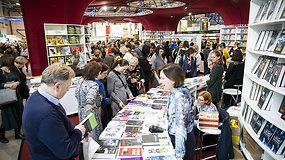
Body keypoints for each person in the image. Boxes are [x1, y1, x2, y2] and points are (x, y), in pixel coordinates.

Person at [23, 63, 86, 159]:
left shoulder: (36, 97)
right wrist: (78, 133)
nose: (68, 90)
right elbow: (66, 151)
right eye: (67, 87)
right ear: (57, 86)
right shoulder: (46, 114)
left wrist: (74, 130)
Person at [159, 63, 195, 160]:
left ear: (173, 80)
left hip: (180, 141)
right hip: (177, 137)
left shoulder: (180, 96)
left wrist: (179, 155)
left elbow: (180, 127)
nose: (160, 81)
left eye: (162, 78)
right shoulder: (175, 92)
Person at [75, 61, 103, 142]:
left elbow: (76, 95)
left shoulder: (80, 81)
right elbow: (90, 100)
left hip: (81, 111)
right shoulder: (93, 85)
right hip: (91, 114)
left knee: (85, 135)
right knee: (94, 134)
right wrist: (96, 103)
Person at [0, 56, 24, 143]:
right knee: (7, 117)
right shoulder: (0, 71)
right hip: (6, 97)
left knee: (18, 114)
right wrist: (8, 85)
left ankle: (17, 133)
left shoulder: (11, 70)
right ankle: (1, 135)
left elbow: (18, 80)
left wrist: (16, 83)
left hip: (16, 95)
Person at [95, 63, 110, 128]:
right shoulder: (99, 84)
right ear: (100, 73)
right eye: (105, 73)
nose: (106, 75)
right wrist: (111, 99)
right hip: (102, 109)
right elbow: (103, 100)